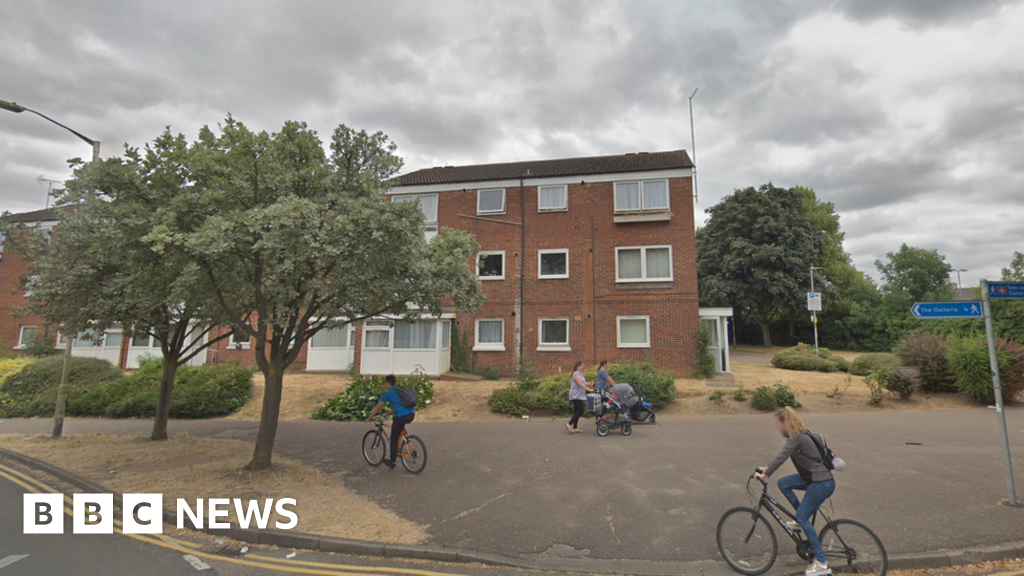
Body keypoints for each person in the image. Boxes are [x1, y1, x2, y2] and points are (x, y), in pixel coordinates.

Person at [755, 407, 835, 576]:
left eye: (778, 425)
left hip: (821, 483)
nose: (777, 428)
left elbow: (782, 456)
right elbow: (780, 456)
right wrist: (766, 468)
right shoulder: (800, 434)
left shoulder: (796, 437)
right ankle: (800, 519)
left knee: (802, 516)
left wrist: (765, 474)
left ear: (785, 423)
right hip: (816, 479)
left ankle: (821, 562)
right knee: (783, 483)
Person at [365, 375, 415, 469]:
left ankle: (392, 462)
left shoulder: (389, 393)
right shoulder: (400, 390)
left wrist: (370, 417)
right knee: (399, 428)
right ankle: (404, 440)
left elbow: (377, 407)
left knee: (393, 439)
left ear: (388, 383)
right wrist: (391, 411)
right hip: (411, 414)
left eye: (385, 383)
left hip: (401, 417)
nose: (384, 385)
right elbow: (401, 404)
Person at [567, 360, 592, 434]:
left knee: (577, 411)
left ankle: (575, 427)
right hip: (575, 395)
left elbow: (583, 383)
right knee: (580, 411)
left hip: (579, 395)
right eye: (582, 366)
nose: (583, 367)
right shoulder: (576, 374)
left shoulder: (580, 374)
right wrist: (589, 390)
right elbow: (580, 384)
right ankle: (569, 424)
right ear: (578, 366)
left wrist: (589, 384)